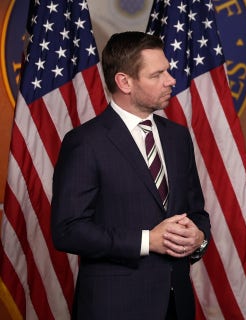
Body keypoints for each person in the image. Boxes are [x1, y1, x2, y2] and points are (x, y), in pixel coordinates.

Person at [51, 31, 210, 320]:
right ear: (124, 82)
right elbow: (67, 230)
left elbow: (197, 213)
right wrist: (147, 240)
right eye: (157, 74)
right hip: (114, 308)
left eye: (168, 70)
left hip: (177, 306)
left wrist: (198, 239)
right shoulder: (85, 142)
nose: (171, 80)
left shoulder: (177, 137)